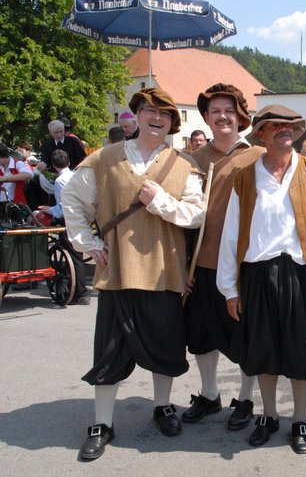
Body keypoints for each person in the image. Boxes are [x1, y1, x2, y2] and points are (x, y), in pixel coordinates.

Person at [62, 88, 205, 460]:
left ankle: (162, 407)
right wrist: (88, 244)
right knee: (109, 351)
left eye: (165, 115)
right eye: (149, 111)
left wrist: (158, 200)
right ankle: (102, 424)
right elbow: (74, 201)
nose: (157, 118)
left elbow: (196, 214)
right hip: (119, 271)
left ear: (173, 123)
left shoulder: (185, 164)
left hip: (163, 271)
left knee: (166, 346)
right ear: (136, 116)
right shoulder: (103, 159)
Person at [216, 104, 306, 454]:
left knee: (300, 353)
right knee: (263, 352)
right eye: (274, 126)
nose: (283, 131)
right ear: (261, 134)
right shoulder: (245, 176)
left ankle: (300, 418)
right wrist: (229, 288)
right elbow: (231, 234)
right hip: (257, 275)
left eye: (288, 126)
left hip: (300, 276)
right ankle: (269, 416)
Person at [182, 83, 264, 431]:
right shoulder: (191, 161)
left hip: (243, 266)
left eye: (229, 110)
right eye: (215, 111)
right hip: (200, 264)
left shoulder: (257, 156)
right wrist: (181, 264)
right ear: (206, 118)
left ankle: (245, 398)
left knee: (245, 336)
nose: (222, 116)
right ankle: (210, 394)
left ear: (241, 116)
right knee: (200, 335)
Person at [36, 149, 88, 303]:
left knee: (73, 255)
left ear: (53, 165)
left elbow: (62, 207)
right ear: (69, 162)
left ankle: (80, 292)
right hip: (82, 217)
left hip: (69, 220)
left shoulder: (60, 181)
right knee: (78, 255)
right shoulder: (76, 175)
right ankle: (81, 291)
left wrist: (48, 209)